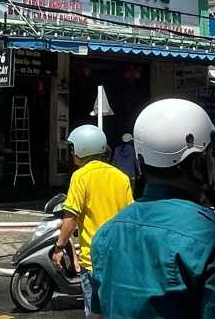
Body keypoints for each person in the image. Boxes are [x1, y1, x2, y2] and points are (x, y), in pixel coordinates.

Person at [89, 98, 215, 319]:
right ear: (197, 164)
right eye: (210, 156)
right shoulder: (214, 237)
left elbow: (98, 314)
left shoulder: (105, 234)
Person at [53, 124, 133, 319]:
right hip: (118, 259)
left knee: (94, 313)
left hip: (93, 260)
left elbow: (71, 216)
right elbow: (131, 216)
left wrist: (59, 247)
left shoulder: (80, 176)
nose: (71, 153)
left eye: (72, 148)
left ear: (82, 148)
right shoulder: (121, 177)